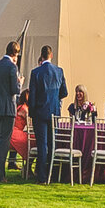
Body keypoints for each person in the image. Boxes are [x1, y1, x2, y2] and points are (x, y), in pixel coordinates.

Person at [27, 45, 65, 182]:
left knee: (42, 144)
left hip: (39, 112)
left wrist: (31, 112)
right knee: (52, 143)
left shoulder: (36, 73)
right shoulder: (59, 71)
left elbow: (32, 96)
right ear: (51, 55)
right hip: (54, 112)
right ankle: (52, 173)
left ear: (41, 56)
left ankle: (42, 175)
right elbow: (64, 92)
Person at [0, 40, 23, 182]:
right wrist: (19, 83)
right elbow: (14, 90)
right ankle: (0, 175)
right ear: (15, 54)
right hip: (8, 108)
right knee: (4, 141)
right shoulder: (12, 67)